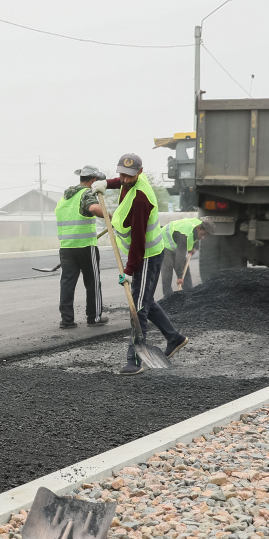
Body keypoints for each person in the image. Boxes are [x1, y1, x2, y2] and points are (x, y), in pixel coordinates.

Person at [90, 154, 188, 375]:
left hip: (147, 256)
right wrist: (106, 184)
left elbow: (138, 240)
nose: (124, 179)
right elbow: (121, 182)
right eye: (121, 175)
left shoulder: (141, 200)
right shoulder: (127, 181)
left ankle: (134, 360)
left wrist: (129, 270)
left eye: (129, 176)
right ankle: (175, 338)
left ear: (140, 173)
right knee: (145, 300)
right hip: (143, 255)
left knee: (139, 307)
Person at [56, 165, 109, 329]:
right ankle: (94, 318)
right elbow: (93, 208)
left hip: (66, 247)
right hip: (86, 247)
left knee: (67, 283)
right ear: (93, 180)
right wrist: (110, 216)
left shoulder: (65, 198)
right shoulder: (86, 193)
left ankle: (67, 320)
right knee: (92, 282)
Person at [160, 217, 216, 298]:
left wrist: (194, 246)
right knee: (167, 270)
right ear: (199, 228)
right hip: (164, 243)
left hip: (176, 243)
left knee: (185, 272)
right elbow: (180, 257)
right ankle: (167, 297)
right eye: (203, 234)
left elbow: (195, 236)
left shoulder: (198, 225)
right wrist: (179, 277)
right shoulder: (184, 235)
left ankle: (190, 294)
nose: (203, 238)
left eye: (205, 235)